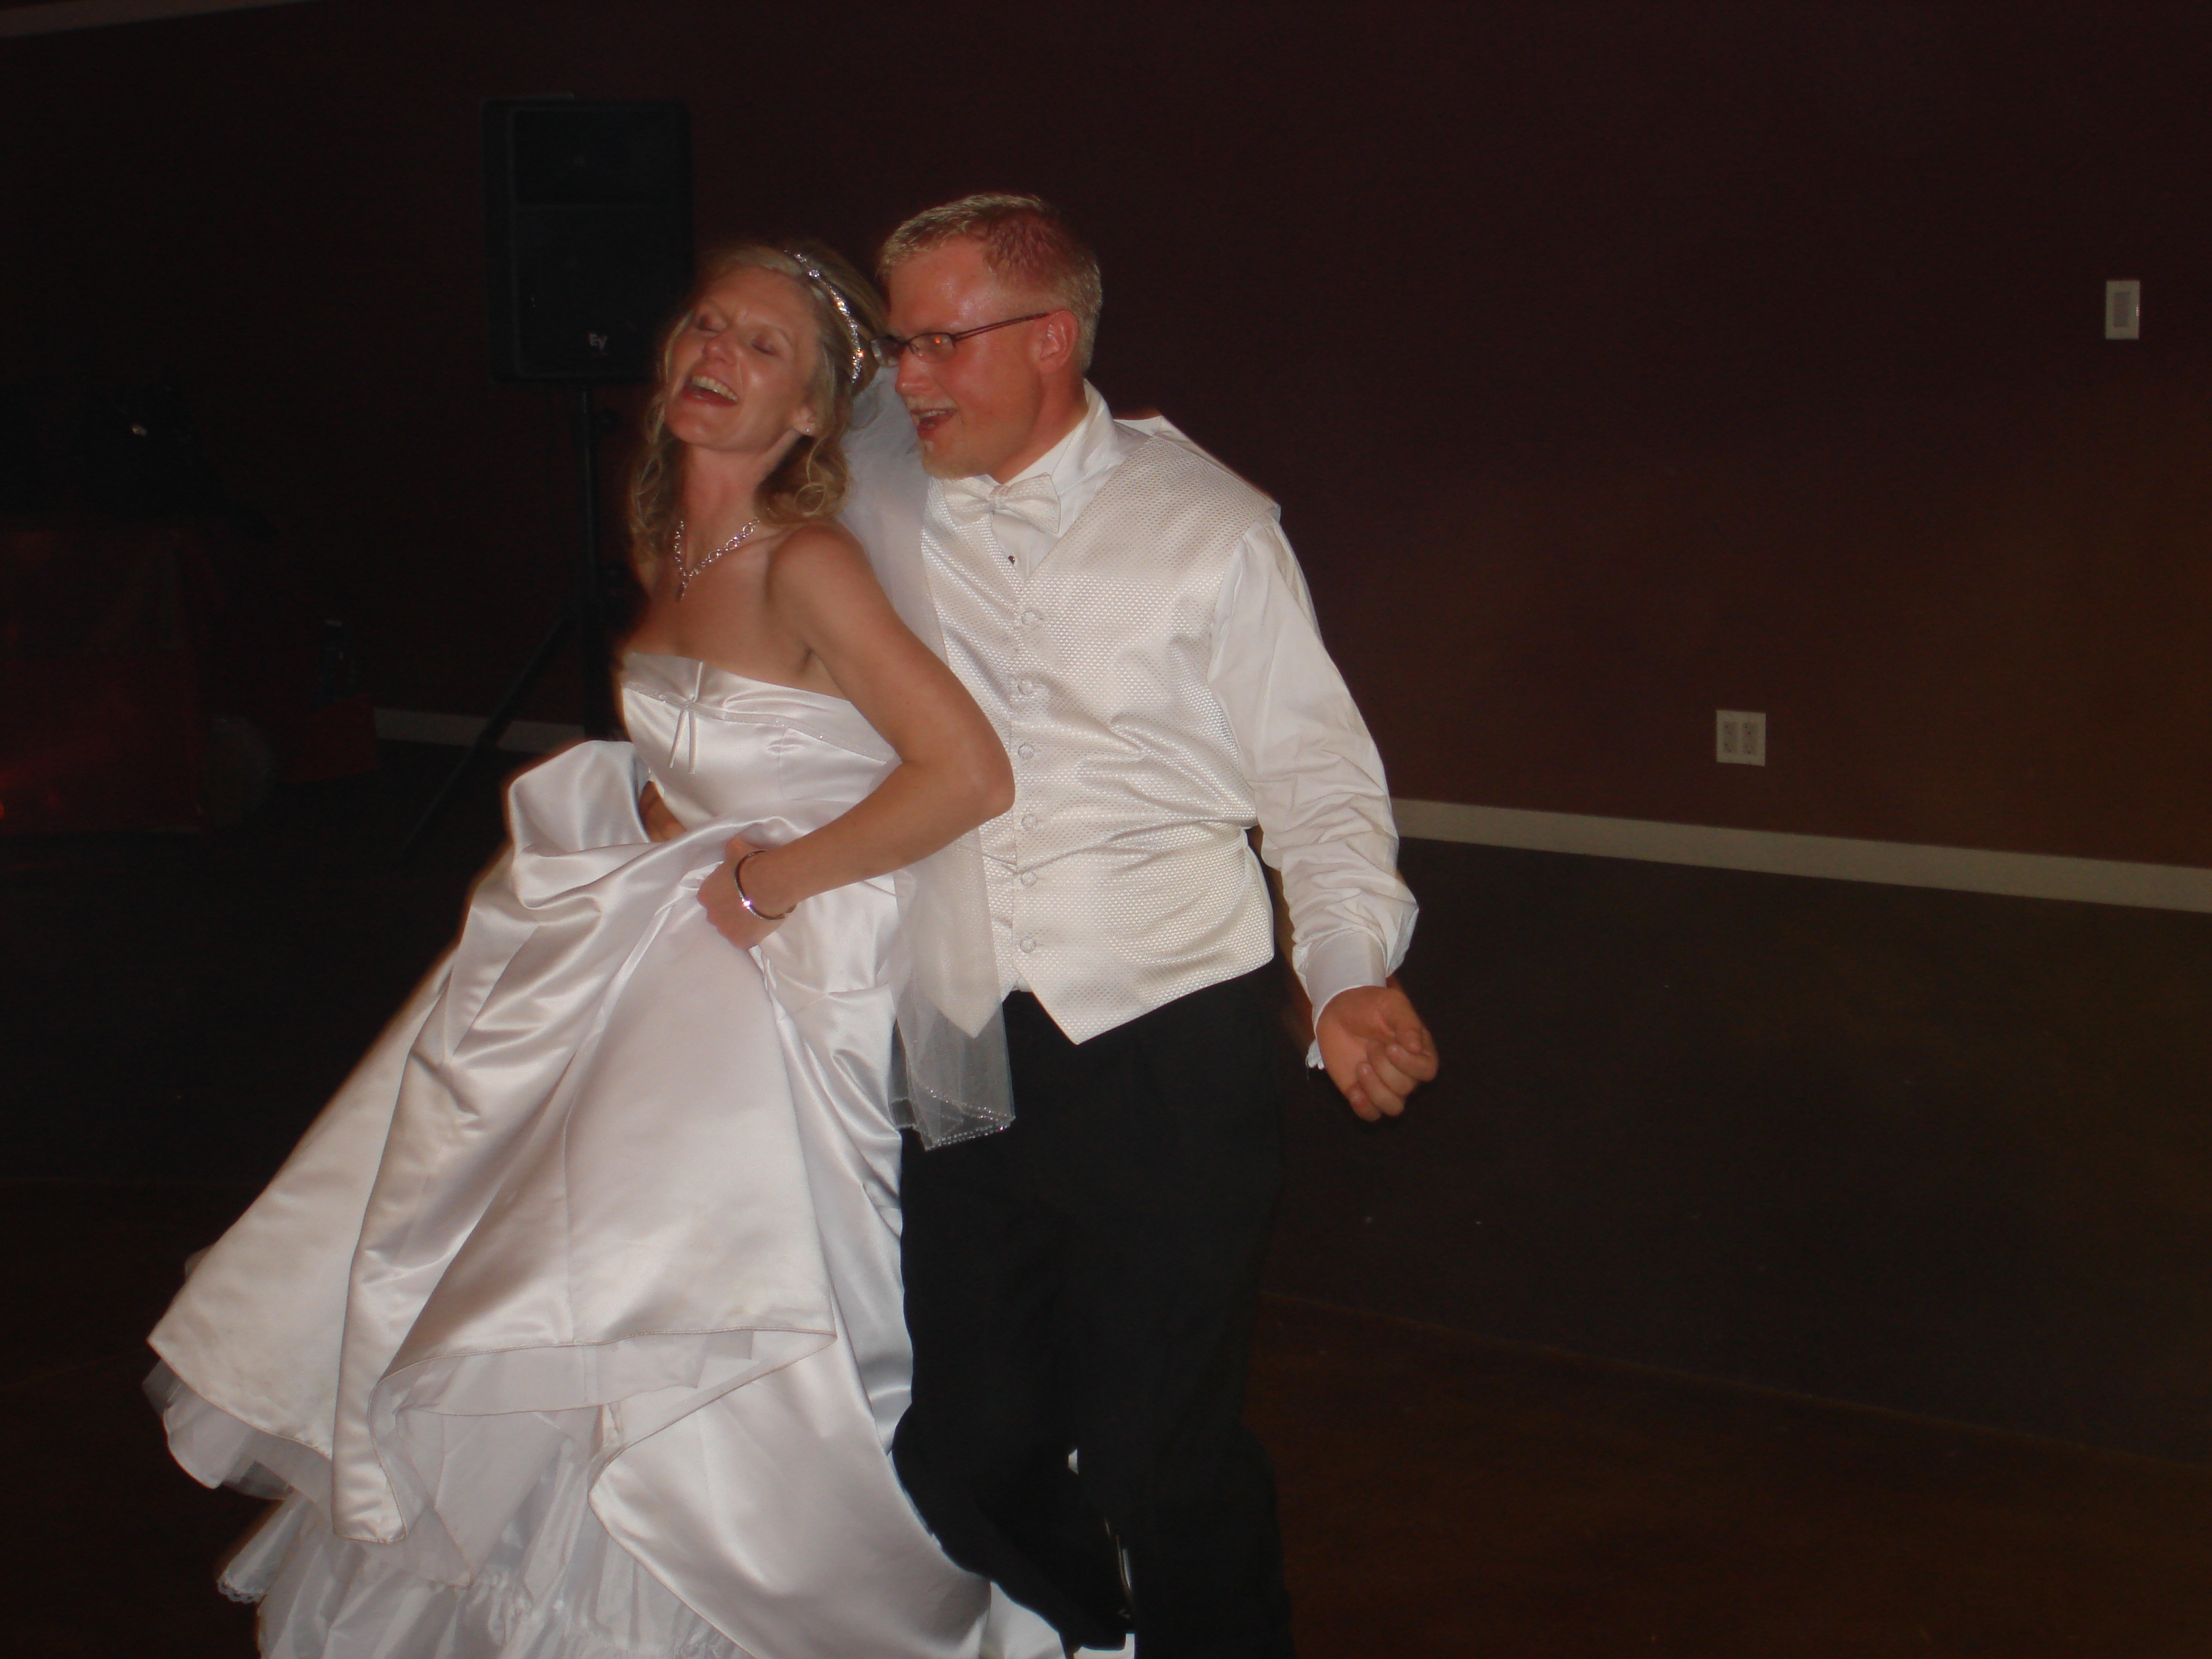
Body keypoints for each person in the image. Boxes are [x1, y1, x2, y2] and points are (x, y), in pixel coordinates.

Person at [145, 241, 1057, 1659]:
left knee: (680, 1275)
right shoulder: (664, 544)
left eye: (763, 346)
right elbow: (720, 743)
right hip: (666, 928)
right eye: (707, 324)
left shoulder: (810, 562)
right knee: (545, 1241)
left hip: (777, 962)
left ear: (813, 415)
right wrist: (656, 819)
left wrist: (767, 878)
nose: (716, 353)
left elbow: (967, 773)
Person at [676, 196, 1440, 1658]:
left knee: (1162, 1456)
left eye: (941, 344)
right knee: (963, 1453)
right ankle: (1097, 1631)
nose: (907, 379)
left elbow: (1318, 779)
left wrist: (1346, 975)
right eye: (899, 344)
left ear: (1051, 339)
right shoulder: (877, 507)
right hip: (963, 1040)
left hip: (1170, 1038)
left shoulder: (1212, 529)